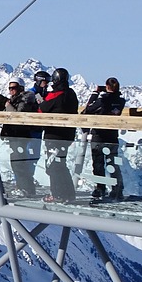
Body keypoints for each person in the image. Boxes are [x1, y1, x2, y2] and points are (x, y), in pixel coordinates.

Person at [82, 77, 126, 202]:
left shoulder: (103, 100)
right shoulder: (121, 101)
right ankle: (117, 189)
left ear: (107, 86)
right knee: (113, 164)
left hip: (99, 135)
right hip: (112, 136)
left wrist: (95, 94)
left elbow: (88, 110)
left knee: (98, 163)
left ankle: (100, 188)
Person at [39, 67, 79, 202]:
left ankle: (57, 194)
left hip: (54, 135)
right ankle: (68, 194)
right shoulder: (71, 93)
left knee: (53, 166)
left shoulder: (56, 94)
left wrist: (42, 99)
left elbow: (42, 109)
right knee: (61, 164)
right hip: (68, 135)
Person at [1, 79, 40, 197]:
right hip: (14, 134)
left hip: (20, 134)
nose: (11, 90)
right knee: (16, 162)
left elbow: (17, 114)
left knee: (19, 163)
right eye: (10, 88)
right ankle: (22, 187)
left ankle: (26, 189)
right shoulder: (15, 100)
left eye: (14, 88)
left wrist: (8, 106)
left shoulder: (25, 99)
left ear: (21, 88)